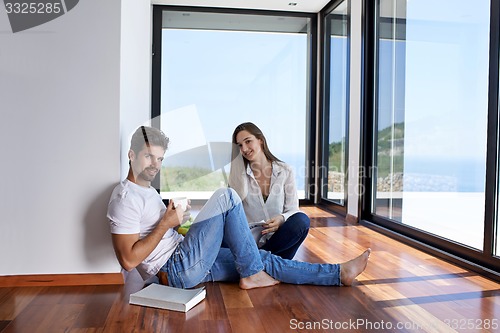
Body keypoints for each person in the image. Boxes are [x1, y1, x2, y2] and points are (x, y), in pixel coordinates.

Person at [107, 126, 371, 290]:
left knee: (263, 259)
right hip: (176, 270)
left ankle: (339, 273)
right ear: (131, 155)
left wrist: (175, 222)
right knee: (226, 196)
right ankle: (252, 274)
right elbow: (129, 261)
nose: (155, 164)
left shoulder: (147, 191)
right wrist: (166, 224)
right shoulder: (124, 197)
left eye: (160, 158)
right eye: (148, 156)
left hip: (186, 257)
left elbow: (159, 234)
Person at [229, 122, 310, 259]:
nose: (244, 148)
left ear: (260, 140)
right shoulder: (238, 175)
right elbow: (233, 215)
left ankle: (257, 263)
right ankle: (268, 265)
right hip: (250, 243)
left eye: (248, 141)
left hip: (279, 242)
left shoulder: (285, 170)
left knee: (302, 220)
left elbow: (293, 209)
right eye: (240, 146)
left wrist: (282, 218)